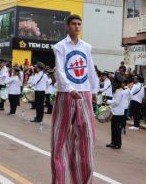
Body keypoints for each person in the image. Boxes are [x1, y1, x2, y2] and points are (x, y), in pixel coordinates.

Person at [51, 14, 99, 184]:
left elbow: (90, 69)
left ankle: (83, 180)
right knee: (60, 139)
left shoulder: (86, 47)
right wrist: (70, 89)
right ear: (67, 26)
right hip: (66, 94)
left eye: (79, 24)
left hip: (84, 93)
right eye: (73, 24)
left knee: (87, 139)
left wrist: (94, 90)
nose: (77, 26)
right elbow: (60, 71)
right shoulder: (60, 47)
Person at [106, 73, 126, 149]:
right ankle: (113, 142)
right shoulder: (119, 90)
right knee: (113, 128)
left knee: (117, 129)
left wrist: (107, 101)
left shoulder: (119, 91)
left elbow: (116, 102)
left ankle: (118, 144)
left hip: (118, 112)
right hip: (115, 111)